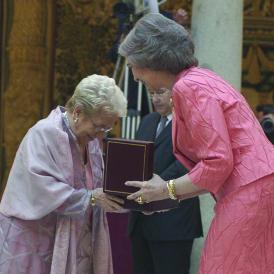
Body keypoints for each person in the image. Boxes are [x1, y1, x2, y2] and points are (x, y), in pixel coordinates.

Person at [118, 13, 274, 274]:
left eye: (133, 64)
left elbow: (217, 163)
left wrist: (165, 190)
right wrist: (164, 194)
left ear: (152, 60)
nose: (133, 76)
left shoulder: (188, 87)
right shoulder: (201, 79)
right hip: (260, 184)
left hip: (250, 190)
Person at [0, 74, 127, 274]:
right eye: (98, 126)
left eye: (107, 128)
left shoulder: (91, 141)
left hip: (78, 241)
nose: (101, 135)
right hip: (36, 241)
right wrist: (91, 197)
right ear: (77, 112)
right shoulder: (44, 133)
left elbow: (97, 188)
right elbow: (41, 190)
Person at [129, 86, 202, 274]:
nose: (155, 98)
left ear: (176, 92)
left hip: (174, 221)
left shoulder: (189, 122)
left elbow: (189, 163)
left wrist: (156, 186)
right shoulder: (148, 120)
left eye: (160, 92)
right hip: (141, 220)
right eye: (151, 93)